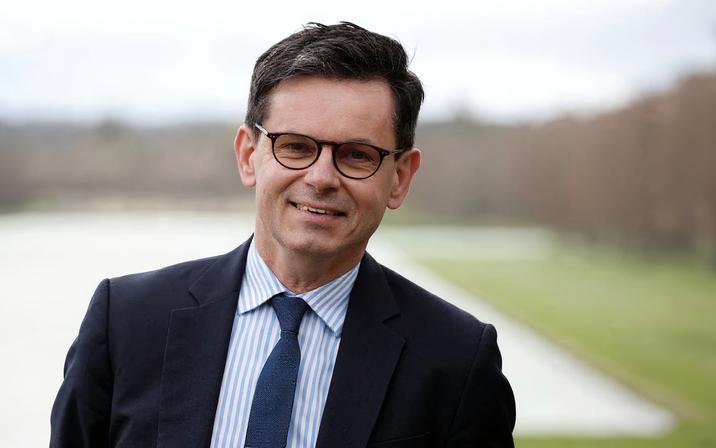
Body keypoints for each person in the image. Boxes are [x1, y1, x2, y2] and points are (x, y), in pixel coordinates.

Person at [50, 22, 515, 447]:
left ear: (400, 177)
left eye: (356, 155)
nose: (322, 177)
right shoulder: (126, 322)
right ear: (248, 154)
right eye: (295, 146)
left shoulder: (456, 360)